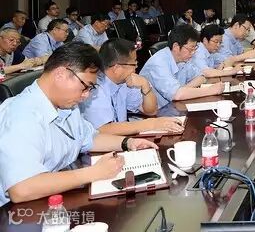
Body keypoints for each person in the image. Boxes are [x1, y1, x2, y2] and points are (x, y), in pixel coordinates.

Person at [0, 43, 157, 205]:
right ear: (60, 74)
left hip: (56, 194)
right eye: (85, 87)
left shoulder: (66, 105)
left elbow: (88, 138)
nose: (86, 95)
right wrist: (94, 173)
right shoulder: (21, 115)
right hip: (16, 210)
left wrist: (128, 143)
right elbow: (22, 189)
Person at [80, 38, 183, 135]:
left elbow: (151, 111)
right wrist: (150, 124)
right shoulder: (94, 88)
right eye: (134, 64)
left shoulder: (125, 82)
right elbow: (103, 129)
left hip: (121, 139)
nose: (136, 67)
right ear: (117, 68)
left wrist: (145, 86)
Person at [139, 24, 224, 108]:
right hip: (156, 112)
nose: (193, 53)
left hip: (175, 106)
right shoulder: (158, 62)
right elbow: (177, 95)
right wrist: (211, 90)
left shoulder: (183, 59)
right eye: (191, 49)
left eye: (195, 48)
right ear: (176, 46)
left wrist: (184, 90)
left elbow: (201, 77)